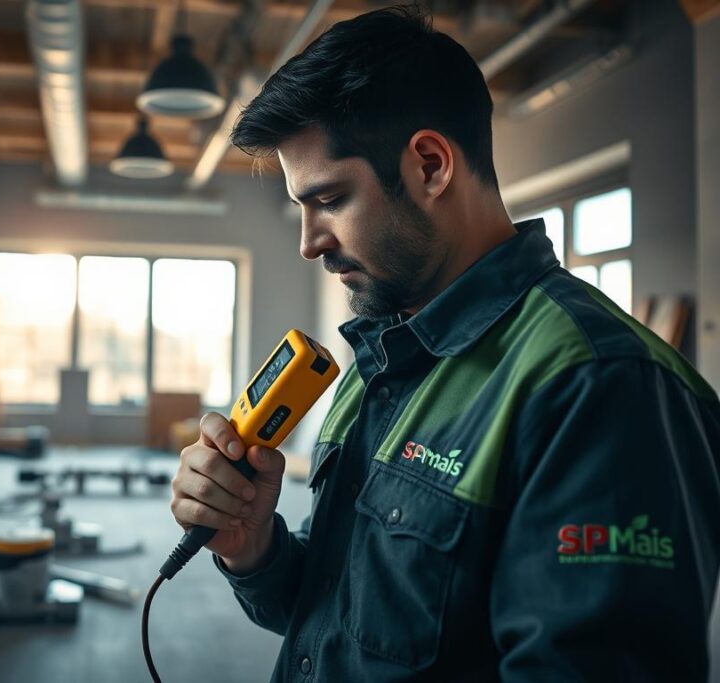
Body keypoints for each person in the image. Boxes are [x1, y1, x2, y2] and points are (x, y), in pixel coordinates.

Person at [168, 5, 720, 681]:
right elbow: (341, 615)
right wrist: (253, 548)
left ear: (430, 165)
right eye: (301, 207)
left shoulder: (601, 384)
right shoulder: (376, 360)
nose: (309, 241)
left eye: (330, 199)